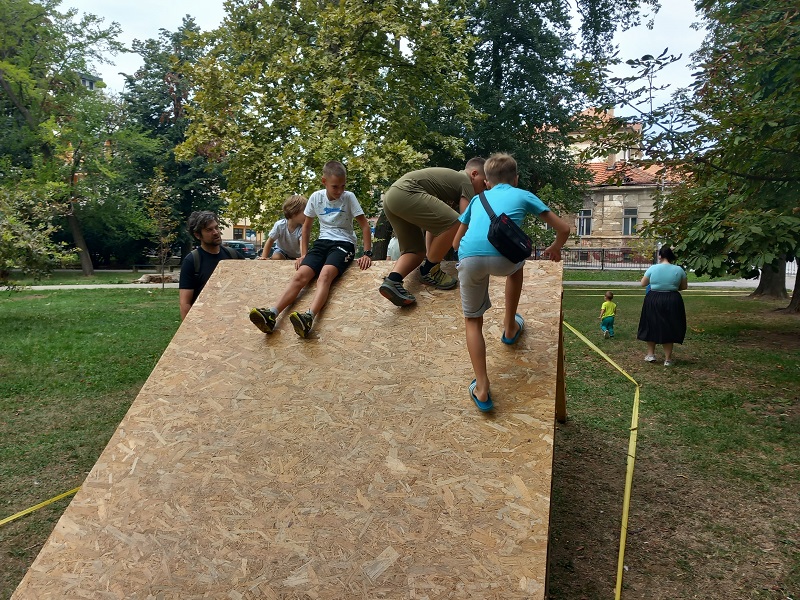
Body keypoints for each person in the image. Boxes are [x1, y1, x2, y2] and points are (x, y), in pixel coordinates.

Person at [452, 153, 571, 412]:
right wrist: (555, 248)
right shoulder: (523, 194)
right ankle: (509, 328)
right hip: (505, 260)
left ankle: (482, 388)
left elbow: (454, 242)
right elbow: (564, 229)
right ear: (515, 179)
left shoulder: (476, 199)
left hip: (469, 258)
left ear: (486, 182)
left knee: (473, 321)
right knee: (517, 266)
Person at [248, 161, 373, 338]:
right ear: (324, 181)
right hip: (322, 243)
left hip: (343, 244)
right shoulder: (316, 197)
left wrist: (367, 253)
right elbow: (306, 228)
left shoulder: (349, 197)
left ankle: (309, 317)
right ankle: (272, 314)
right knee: (301, 275)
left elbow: (365, 226)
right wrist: (304, 254)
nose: (339, 191)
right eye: (335, 186)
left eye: (343, 186)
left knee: (325, 275)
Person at [378, 158, 487, 306]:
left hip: (392, 198)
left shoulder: (446, 186)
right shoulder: (465, 181)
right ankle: (429, 270)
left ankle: (393, 281)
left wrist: (431, 257)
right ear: (474, 174)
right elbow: (465, 220)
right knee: (456, 222)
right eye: (484, 183)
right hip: (406, 192)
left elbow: (434, 228)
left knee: (415, 252)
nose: (484, 189)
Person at [179, 211, 243, 321]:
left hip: (233, 320)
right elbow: (185, 303)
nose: (216, 232)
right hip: (205, 323)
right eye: (209, 230)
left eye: (216, 227)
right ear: (198, 235)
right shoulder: (192, 261)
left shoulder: (233, 255)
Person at [637, 245, 688, 366]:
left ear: (660, 256)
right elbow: (683, 287)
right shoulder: (679, 270)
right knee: (670, 325)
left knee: (651, 324)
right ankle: (668, 359)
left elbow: (643, 283)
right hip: (672, 299)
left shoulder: (653, 268)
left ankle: (650, 355)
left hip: (654, 298)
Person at [258, 194, 307, 260]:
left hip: (297, 255)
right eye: (305, 212)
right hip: (282, 252)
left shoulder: (302, 228)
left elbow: (302, 245)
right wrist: (264, 256)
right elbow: (270, 241)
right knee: (276, 257)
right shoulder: (280, 225)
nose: (307, 214)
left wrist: (302, 257)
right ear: (294, 212)